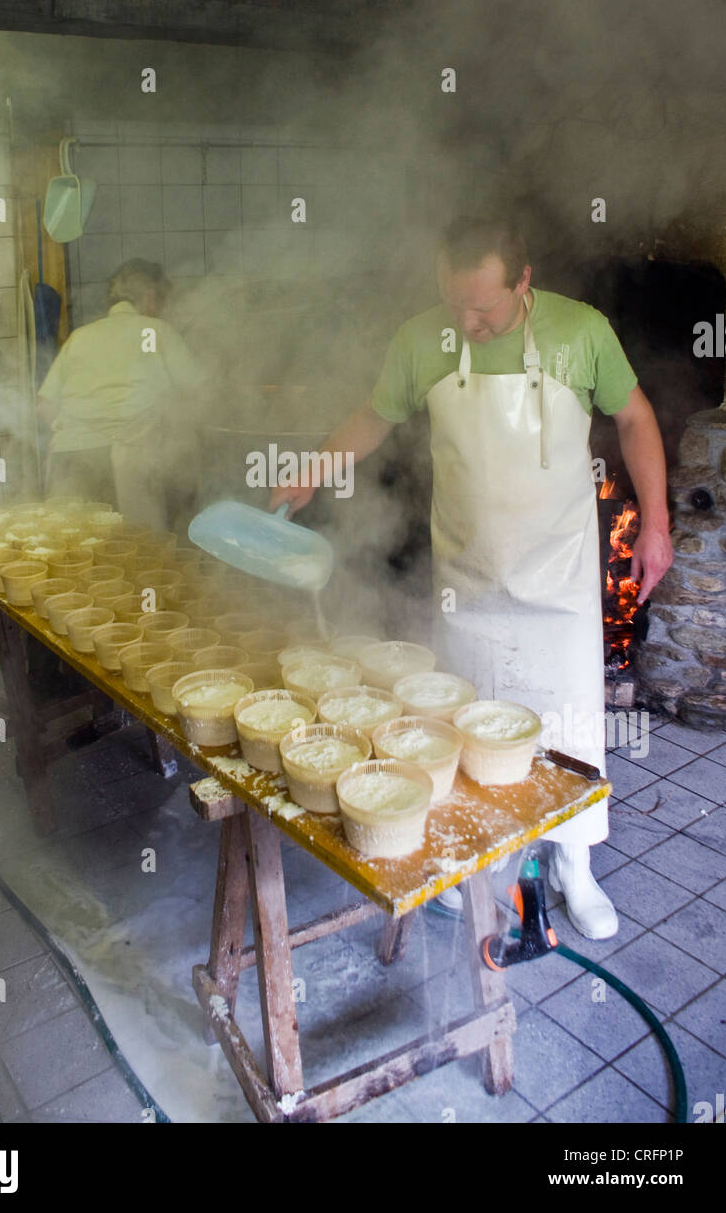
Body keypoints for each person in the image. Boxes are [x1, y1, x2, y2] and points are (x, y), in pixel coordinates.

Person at [270, 217, 674, 940]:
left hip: (557, 576)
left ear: (524, 283)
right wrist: (309, 474)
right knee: (468, 726)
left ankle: (574, 862)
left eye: (484, 307)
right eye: (456, 304)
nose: (468, 321)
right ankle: (483, 859)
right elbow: (374, 414)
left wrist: (657, 524)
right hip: (467, 574)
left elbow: (637, 417)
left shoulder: (580, 331)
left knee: (569, 719)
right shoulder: (421, 340)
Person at [37, 259, 205, 527]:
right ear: (150, 296)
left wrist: (74, 428)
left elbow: (44, 404)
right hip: (128, 462)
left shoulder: (79, 336)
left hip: (71, 459)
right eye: (162, 301)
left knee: (71, 553)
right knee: (139, 557)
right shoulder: (157, 330)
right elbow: (199, 393)